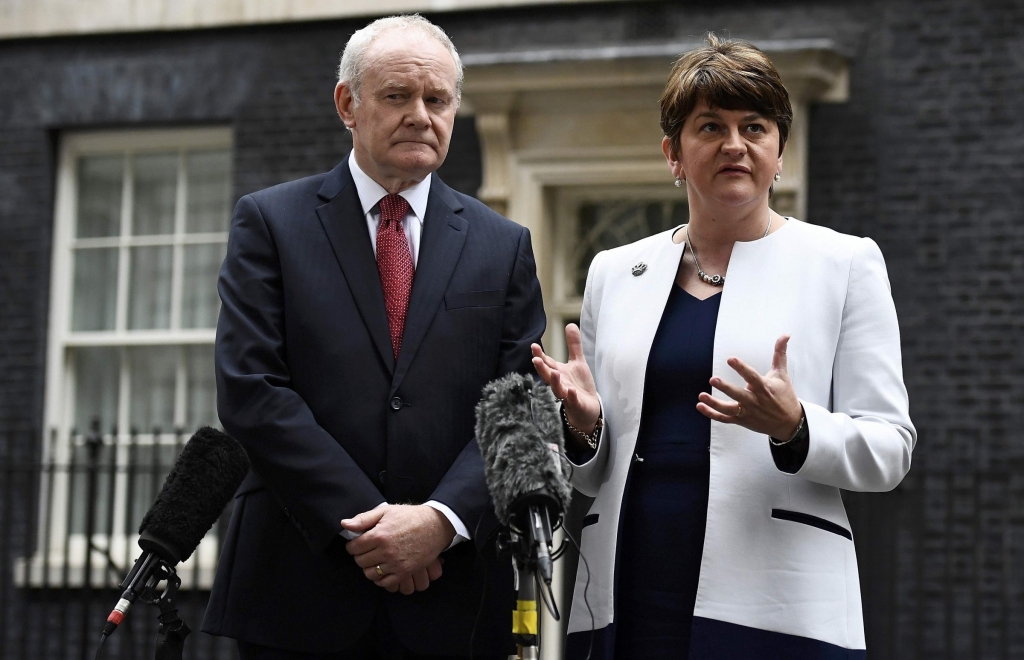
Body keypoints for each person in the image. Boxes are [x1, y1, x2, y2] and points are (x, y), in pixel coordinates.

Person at [531, 34, 916, 660]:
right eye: (710, 126)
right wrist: (583, 430)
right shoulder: (613, 271)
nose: (734, 145)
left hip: (776, 603)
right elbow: (595, 473)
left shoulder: (844, 264)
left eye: (754, 127)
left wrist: (797, 428)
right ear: (673, 153)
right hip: (626, 588)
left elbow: (890, 449)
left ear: (779, 151)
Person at [202, 14, 546, 659]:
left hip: (455, 594)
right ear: (347, 104)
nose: (420, 114)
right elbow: (253, 391)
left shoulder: (504, 246)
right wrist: (379, 531)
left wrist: (439, 522)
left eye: (437, 99)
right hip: (302, 588)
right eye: (397, 96)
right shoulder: (271, 223)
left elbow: (519, 408)